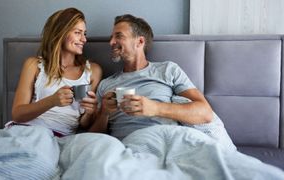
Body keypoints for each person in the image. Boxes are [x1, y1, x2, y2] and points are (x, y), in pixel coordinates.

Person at [89, 14, 235, 149]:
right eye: (111, 37)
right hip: (126, 148)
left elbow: (205, 113)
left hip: (166, 142)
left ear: (139, 41)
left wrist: (155, 108)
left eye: (118, 36)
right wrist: (104, 113)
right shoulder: (106, 84)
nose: (111, 42)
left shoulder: (167, 70)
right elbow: (93, 139)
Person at [6, 7, 102, 137]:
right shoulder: (34, 65)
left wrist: (91, 112)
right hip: (26, 130)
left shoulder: (92, 71)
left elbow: (83, 124)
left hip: (59, 137)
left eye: (84, 33)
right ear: (61, 33)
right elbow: (17, 114)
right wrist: (52, 101)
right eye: (78, 33)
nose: (84, 39)